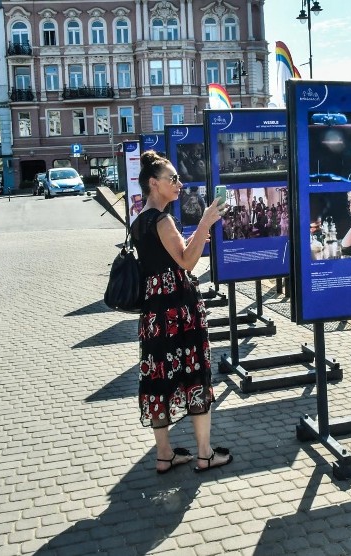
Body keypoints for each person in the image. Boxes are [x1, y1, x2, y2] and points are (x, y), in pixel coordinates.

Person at [130, 150, 231, 474]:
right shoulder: (162, 219)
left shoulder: (140, 220)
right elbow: (187, 262)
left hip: (154, 314)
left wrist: (193, 236)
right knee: (195, 374)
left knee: (158, 376)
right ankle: (204, 454)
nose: (179, 183)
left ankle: (164, 455)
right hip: (178, 309)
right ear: (153, 183)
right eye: (172, 179)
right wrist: (205, 222)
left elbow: (168, 256)